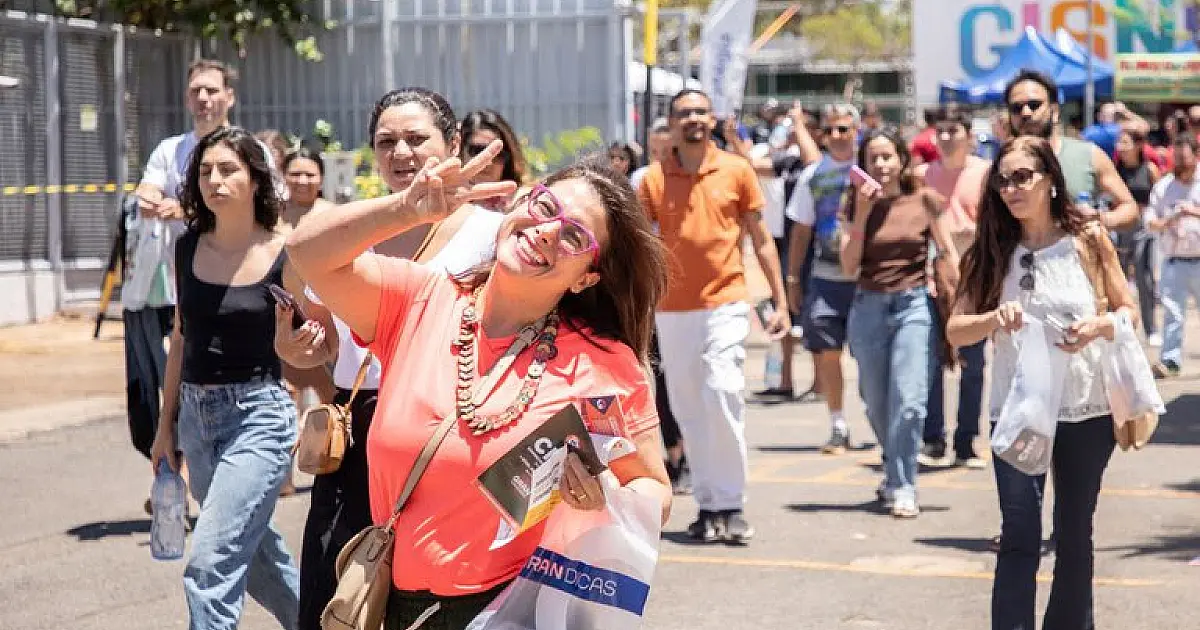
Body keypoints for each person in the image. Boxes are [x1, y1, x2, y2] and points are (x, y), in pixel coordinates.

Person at [287, 145, 673, 629]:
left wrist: (606, 497)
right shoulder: (418, 301)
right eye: (544, 207)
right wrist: (406, 208)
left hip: (519, 609)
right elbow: (307, 253)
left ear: (585, 278)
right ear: (518, 206)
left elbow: (653, 488)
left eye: (574, 237)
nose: (547, 232)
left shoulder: (601, 365)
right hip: (403, 608)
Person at [275, 87, 505, 630]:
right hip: (358, 433)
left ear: (451, 143)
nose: (401, 152)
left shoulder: (492, 235)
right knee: (337, 600)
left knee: (427, 601)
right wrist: (298, 349)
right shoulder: (354, 230)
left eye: (416, 138)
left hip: (447, 432)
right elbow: (327, 340)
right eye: (386, 142)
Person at [947, 136, 1135, 630]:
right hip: (1018, 409)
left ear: (1050, 180)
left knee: (1074, 533)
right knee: (1019, 534)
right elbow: (956, 328)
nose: (1011, 189)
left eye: (1023, 177)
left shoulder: (1088, 240)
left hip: (1084, 408)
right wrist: (994, 318)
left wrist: (1099, 327)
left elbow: (1127, 310)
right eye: (1002, 181)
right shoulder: (990, 251)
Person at [149, 127, 307, 630]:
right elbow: (181, 336)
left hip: (260, 415)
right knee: (259, 558)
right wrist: (165, 426)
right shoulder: (187, 247)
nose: (213, 180)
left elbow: (317, 342)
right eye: (204, 171)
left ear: (257, 180)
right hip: (196, 418)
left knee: (210, 564)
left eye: (227, 169)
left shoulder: (290, 252)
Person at [638, 88, 790, 544]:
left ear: (712, 119)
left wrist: (780, 302)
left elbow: (762, 240)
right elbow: (643, 245)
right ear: (671, 122)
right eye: (685, 113)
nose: (694, 119)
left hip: (726, 302)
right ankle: (708, 505)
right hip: (671, 310)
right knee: (688, 407)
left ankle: (731, 501)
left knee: (723, 392)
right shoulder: (652, 180)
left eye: (701, 112)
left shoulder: (736, 170)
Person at [128, 58, 238, 510]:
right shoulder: (170, 150)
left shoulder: (245, 150)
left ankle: (200, 475)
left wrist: (190, 211)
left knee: (209, 382)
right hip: (171, 287)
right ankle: (178, 472)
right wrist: (152, 197)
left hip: (229, 286)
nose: (203, 98)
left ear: (229, 96)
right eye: (196, 90)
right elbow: (147, 188)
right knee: (165, 383)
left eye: (212, 90)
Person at [842, 128, 958, 518]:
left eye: (887, 156)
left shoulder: (923, 200)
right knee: (876, 404)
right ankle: (894, 463)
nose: (881, 165)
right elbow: (848, 264)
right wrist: (860, 214)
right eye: (873, 157)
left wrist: (957, 296)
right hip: (868, 306)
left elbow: (947, 252)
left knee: (909, 403)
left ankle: (904, 484)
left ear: (902, 160)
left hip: (913, 307)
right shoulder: (855, 202)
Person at [915, 103, 991, 469]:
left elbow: (999, 224)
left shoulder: (987, 173)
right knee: (931, 360)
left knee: (972, 364)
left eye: (953, 131)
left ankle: (966, 441)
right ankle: (933, 439)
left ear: (969, 136)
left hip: (975, 282)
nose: (945, 138)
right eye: (940, 131)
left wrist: (971, 235)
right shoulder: (921, 175)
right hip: (932, 282)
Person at [785, 103, 861, 454]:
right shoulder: (813, 175)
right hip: (826, 279)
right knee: (828, 352)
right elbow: (801, 231)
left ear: (856, 131)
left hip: (869, 280)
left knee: (871, 357)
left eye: (843, 129)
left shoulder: (874, 167)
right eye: (829, 130)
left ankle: (879, 417)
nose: (836, 137)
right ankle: (838, 424)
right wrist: (792, 280)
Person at [1003, 70, 1138, 231]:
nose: (1025, 113)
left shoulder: (1088, 155)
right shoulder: (1000, 168)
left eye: (1034, 105)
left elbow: (1130, 209)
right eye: (1016, 108)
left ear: (1055, 111)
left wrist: (1099, 219)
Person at [1148, 135, 1200, 379]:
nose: (1180, 164)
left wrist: (1194, 212)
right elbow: (1150, 223)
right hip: (1175, 259)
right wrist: (1170, 220)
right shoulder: (1163, 187)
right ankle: (1170, 360)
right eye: (1177, 159)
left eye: (1185, 159)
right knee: (1173, 314)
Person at [1113, 128, 1162, 347]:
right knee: (1117, 280)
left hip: (1143, 229)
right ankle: (1121, 328)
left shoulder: (1149, 169)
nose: (1120, 147)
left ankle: (1151, 329)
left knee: (1145, 280)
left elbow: (1159, 196)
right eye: (1119, 143)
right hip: (1121, 229)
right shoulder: (1116, 170)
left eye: (1125, 142)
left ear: (1138, 145)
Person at [458, 108, 529, 211]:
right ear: (460, 150)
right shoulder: (443, 199)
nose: (489, 161)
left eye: (499, 154)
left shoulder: (523, 202)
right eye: (478, 150)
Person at [280, 147, 335, 229]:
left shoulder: (334, 214)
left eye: (310, 175)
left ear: (321, 178)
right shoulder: (271, 215)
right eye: (295, 174)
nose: (302, 181)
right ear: (284, 176)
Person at [630, 118, 672, 192]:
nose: (660, 158)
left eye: (665, 152)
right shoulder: (639, 177)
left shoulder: (683, 178)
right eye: (654, 152)